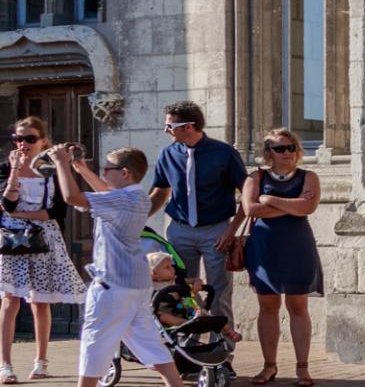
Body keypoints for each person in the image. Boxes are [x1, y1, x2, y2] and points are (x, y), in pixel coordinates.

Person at [45, 143, 189, 387]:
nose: (103, 173)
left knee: (94, 342)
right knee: (149, 342)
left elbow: (72, 197)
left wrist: (60, 162)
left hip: (112, 285)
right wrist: (81, 169)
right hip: (136, 285)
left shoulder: (122, 199)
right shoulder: (138, 197)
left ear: (124, 173)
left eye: (107, 169)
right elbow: (104, 193)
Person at [149, 101, 249, 342]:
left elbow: (247, 194)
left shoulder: (224, 153)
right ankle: (188, 350)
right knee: (181, 292)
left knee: (220, 292)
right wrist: (135, 219)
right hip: (180, 231)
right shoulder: (168, 154)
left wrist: (231, 231)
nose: (166, 131)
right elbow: (160, 193)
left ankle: (221, 354)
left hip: (217, 230)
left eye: (170, 126)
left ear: (189, 127)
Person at [1, 117, 86, 383]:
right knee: (9, 300)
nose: (22, 144)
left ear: (43, 142)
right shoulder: (4, 168)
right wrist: (15, 171)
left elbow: (59, 211)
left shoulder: (50, 170)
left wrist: (25, 213)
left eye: (29, 139)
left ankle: (41, 361)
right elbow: (7, 204)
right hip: (10, 240)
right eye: (17, 138)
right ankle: (5, 364)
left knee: (40, 301)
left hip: (45, 240)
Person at [241, 129, 323, 386]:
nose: (286, 152)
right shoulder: (256, 177)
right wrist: (292, 205)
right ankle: (268, 366)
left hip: (298, 245)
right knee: (268, 306)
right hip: (265, 246)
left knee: (299, 307)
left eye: (290, 147)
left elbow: (308, 207)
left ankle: (302, 368)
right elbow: (250, 209)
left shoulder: (309, 177)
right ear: (269, 153)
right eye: (279, 148)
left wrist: (271, 200)